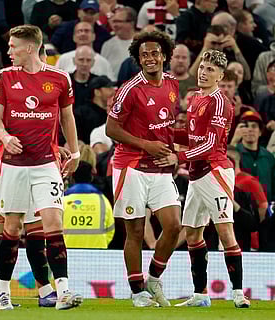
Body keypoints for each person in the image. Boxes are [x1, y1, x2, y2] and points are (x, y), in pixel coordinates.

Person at [0, 24, 82, 310]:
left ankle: (63, 291)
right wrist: (5, 136)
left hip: (46, 164)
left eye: (13, 46)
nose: (9, 51)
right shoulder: (4, 77)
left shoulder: (60, 78)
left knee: (54, 224)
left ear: (29, 47)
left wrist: (75, 151)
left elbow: (67, 117)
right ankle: (2, 293)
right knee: (12, 229)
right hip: (13, 165)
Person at [155, 49, 250, 308]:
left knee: (225, 231)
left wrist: (179, 157)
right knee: (194, 235)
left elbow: (209, 145)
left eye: (210, 70)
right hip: (197, 174)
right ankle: (200, 295)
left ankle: (239, 293)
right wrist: (168, 134)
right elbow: (193, 134)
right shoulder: (196, 98)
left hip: (215, 171)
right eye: (202, 67)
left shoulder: (220, 103)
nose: (203, 72)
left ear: (220, 75)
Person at [105, 30, 182, 307]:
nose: (150, 58)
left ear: (164, 56)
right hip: (131, 166)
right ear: (139, 59)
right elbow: (111, 129)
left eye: (154, 53)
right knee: (135, 231)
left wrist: (174, 154)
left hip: (160, 167)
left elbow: (168, 128)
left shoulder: (173, 85)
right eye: (144, 55)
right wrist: (146, 145)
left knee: (173, 226)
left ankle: (153, 277)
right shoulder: (129, 89)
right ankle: (137, 291)